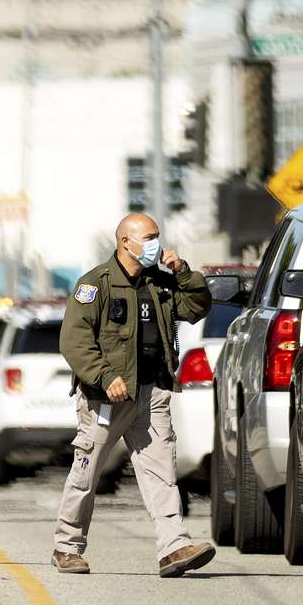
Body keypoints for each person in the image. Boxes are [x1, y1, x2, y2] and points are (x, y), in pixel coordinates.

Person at [52, 212, 216, 577]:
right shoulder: (95, 284)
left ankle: (174, 547)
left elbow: (197, 307)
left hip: (152, 391)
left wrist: (184, 272)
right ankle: (67, 546)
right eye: (149, 237)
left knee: (162, 472)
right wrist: (104, 375)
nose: (156, 243)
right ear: (126, 241)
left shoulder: (160, 283)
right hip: (106, 398)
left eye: (158, 236)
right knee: (87, 471)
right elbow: (74, 342)